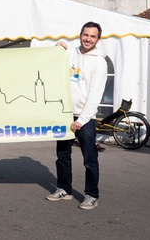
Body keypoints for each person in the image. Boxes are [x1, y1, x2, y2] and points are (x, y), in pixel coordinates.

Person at [46, 21, 107, 210]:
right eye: (85, 35)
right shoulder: (71, 53)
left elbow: (94, 95)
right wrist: (58, 46)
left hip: (85, 118)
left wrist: (81, 120)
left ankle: (91, 195)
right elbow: (55, 58)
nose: (88, 39)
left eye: (92, 36)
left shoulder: (99, 62)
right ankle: (64, 189)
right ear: (80, 35)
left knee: (89, 159)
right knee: (62, 155)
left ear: (98, 39)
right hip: (65, 114)